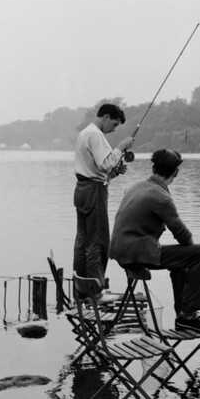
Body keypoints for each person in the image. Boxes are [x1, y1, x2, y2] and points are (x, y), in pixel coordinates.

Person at [109, 148, 200, 333]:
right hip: (136, 252)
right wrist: (191, 253)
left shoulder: (136, 186)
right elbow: (183, 236)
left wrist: (185, 257)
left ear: (153, 168)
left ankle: (183, 315)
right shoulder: (161, 197)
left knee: (181, 262)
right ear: (176, 172)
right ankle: (188, 314)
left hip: (121, 249)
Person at [72, 103, 135, 298]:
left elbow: (96, 169)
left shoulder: (85, 133)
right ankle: (96, 291)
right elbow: (106, 162)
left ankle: (81, 289)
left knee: (83, 240)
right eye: (114, 124)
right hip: (94, 191)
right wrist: (121, 147)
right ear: (106, 117)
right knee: (98, 241)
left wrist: (113, 173)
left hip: (82, 189)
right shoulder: (95, 135)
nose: (114, 129)